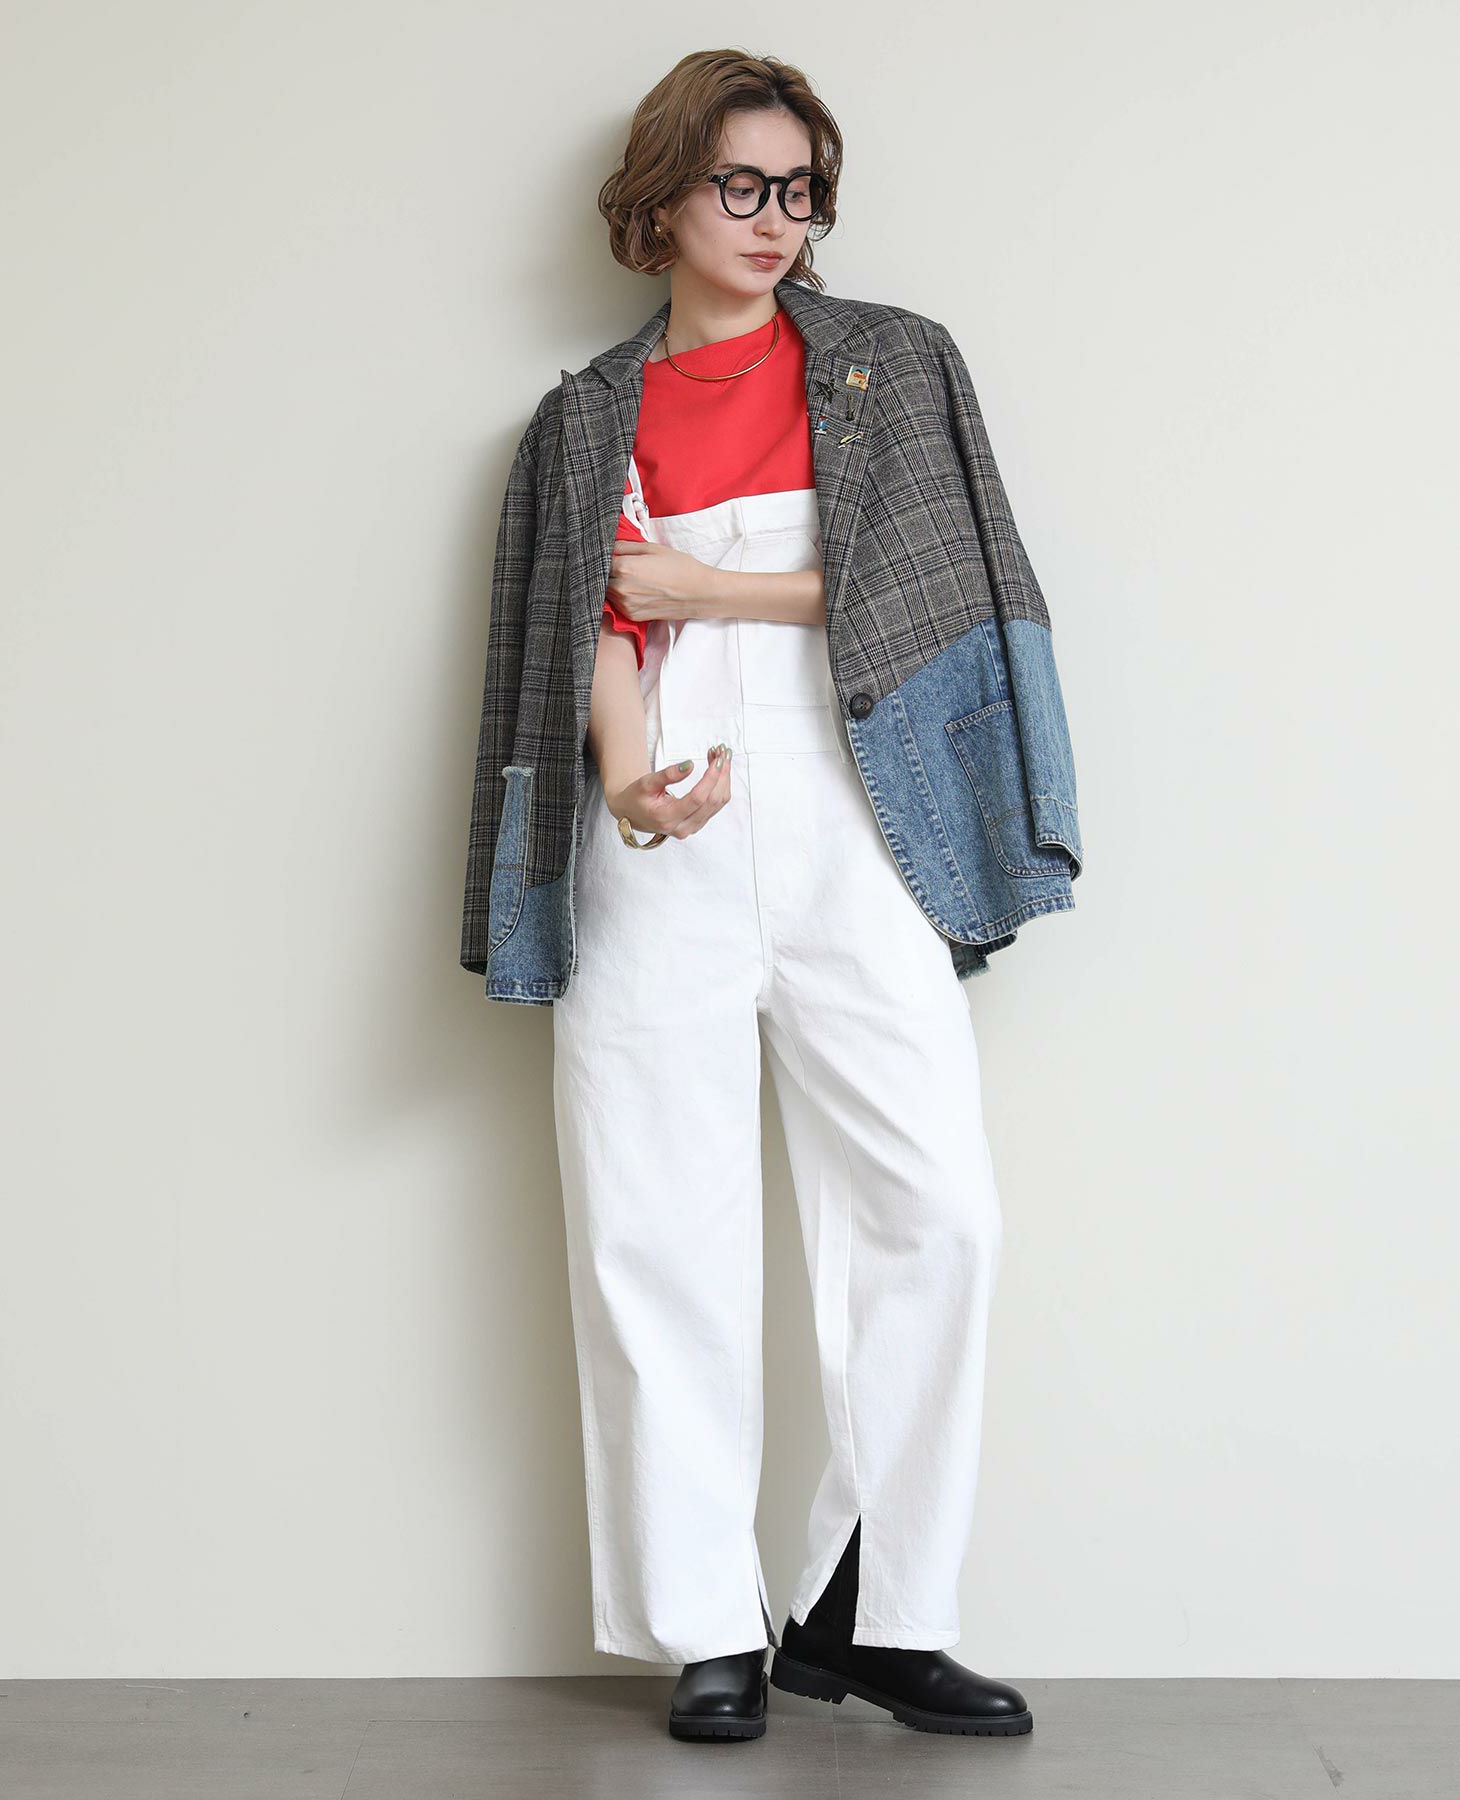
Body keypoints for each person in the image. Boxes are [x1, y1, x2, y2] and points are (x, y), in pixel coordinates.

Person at [467, 48, 1085, 1744]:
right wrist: (624, 782)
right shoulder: (583, 418)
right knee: (652, 1222)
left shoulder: (896, 362)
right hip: (661, 823)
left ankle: (875, 1618)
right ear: (661, 198)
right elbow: (593, 637)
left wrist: (703, 583)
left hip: (853, 808)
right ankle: (707, 1631)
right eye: (741, 185)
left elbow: (948, 586)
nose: (775, 219)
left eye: (799, 189)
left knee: (936, 1210)